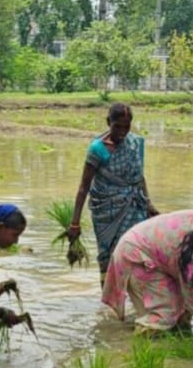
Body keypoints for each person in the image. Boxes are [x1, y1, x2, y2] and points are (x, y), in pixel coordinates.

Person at [101, 209, 193, 337]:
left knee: (181, 310)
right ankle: (129, 342)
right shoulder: (192, 261)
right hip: (136, 253)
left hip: (151, 245)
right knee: (164, 316)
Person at [67, 102, 161, 285]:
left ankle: (132, 296)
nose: (122, 132)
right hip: (105, 211)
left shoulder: (135, 144)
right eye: (117, 126)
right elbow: (83, 187)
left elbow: (139, 177)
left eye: (127, 127)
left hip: (134, 207)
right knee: (107, 257)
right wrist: (75, 222)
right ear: (108, 122)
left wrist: (148, 204)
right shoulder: (97, 149)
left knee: (134, 252)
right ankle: (108, 300)